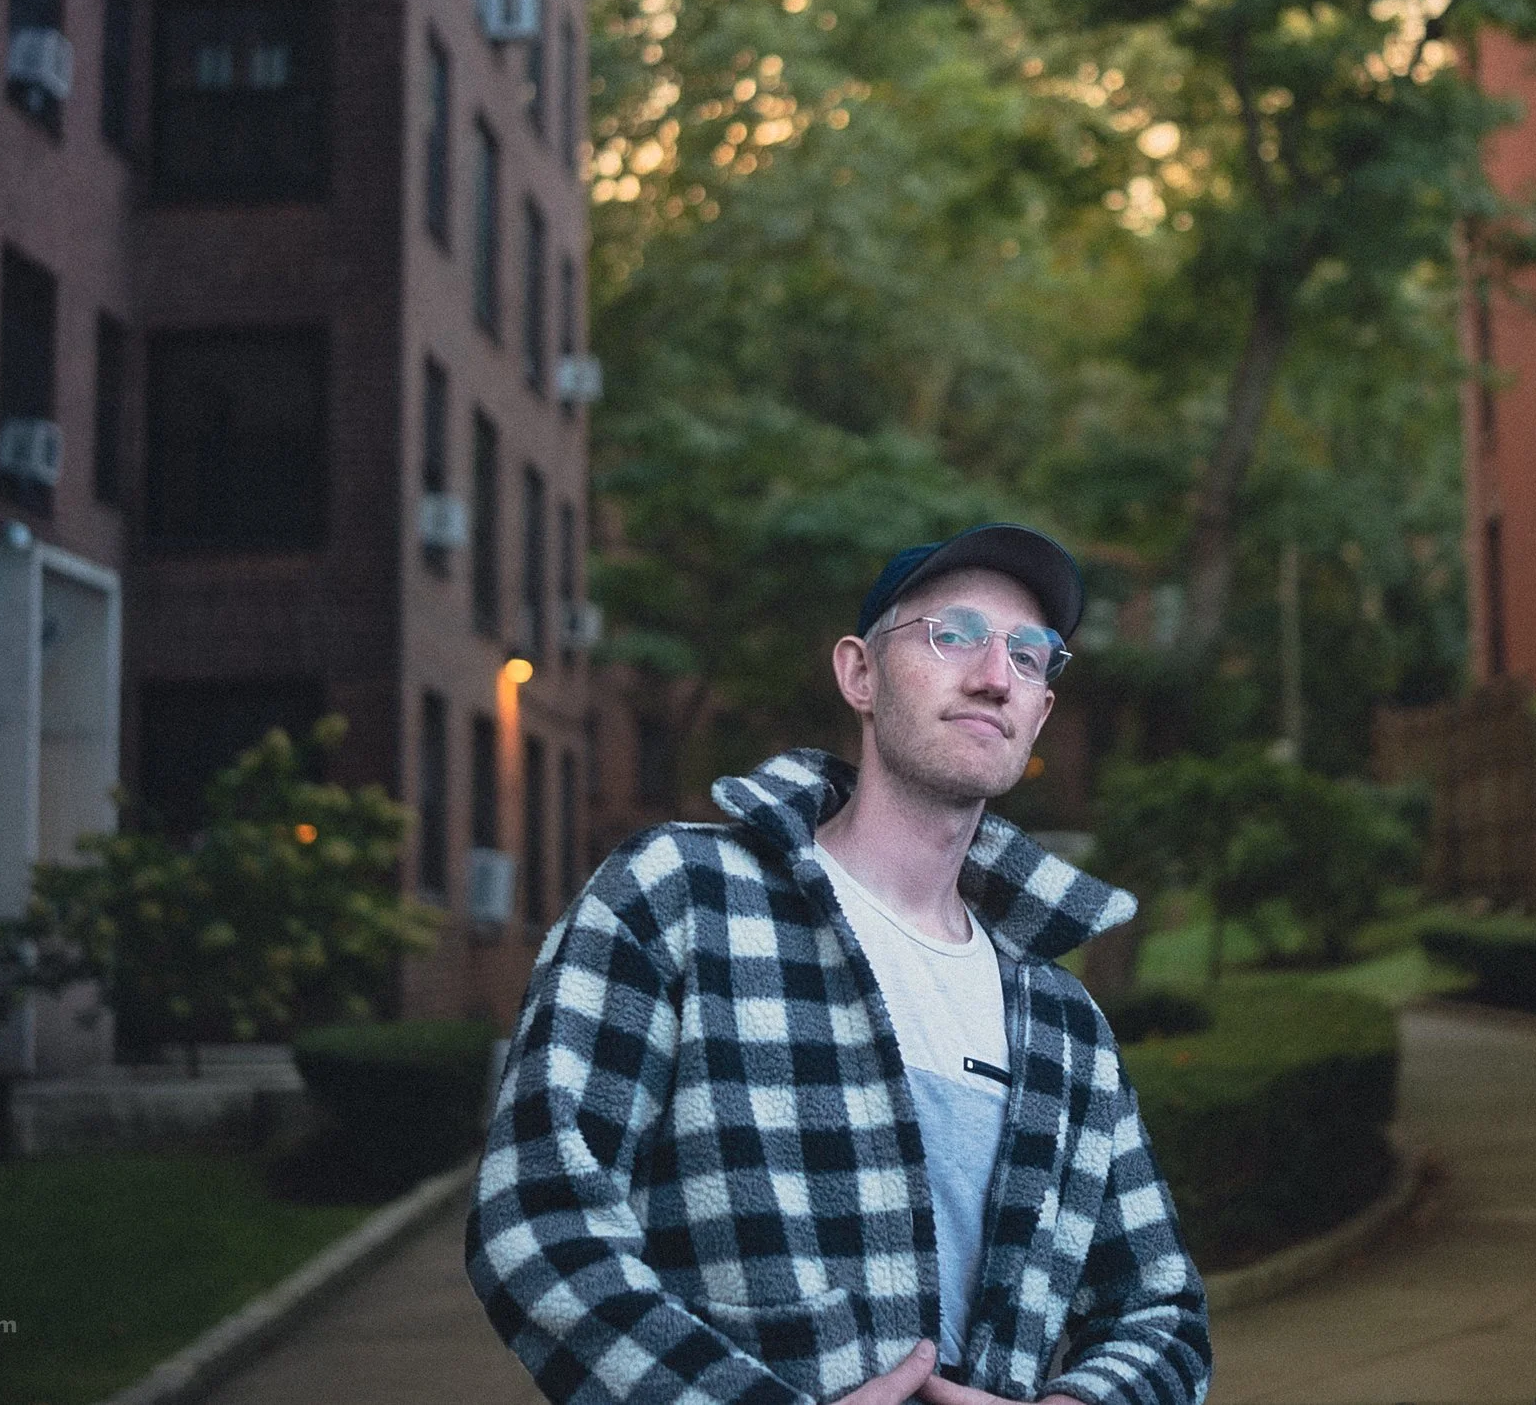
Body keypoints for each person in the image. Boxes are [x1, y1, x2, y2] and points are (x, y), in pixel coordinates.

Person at [467, 522, 1210, 1405]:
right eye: (954, 633)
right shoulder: (681, 900)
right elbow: (540, 1217)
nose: (993, 673)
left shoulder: (1061, 1019)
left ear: (1041, 707)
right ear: (860, 672)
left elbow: (1161, 1309)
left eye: (1030, 653)